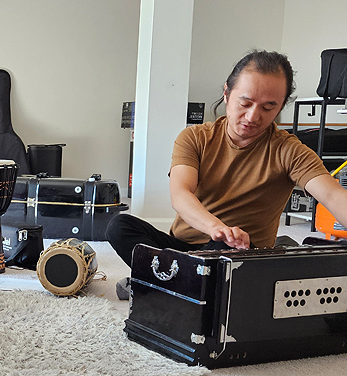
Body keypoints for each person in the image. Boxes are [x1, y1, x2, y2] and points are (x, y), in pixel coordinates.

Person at [107, 50, 347, 299]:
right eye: (245, 103)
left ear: (280, 107)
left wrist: (224, 238)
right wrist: (218, 228)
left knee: (225, 249)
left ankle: (162, 284)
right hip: (183, 250)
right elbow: (180, 195)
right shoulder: (195, 137)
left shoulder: (290, 150)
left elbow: (332, 194)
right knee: (119, 225)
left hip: (236, 254)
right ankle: (183, 286)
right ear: (226, 93)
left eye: (268, 107)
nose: (253, 116)